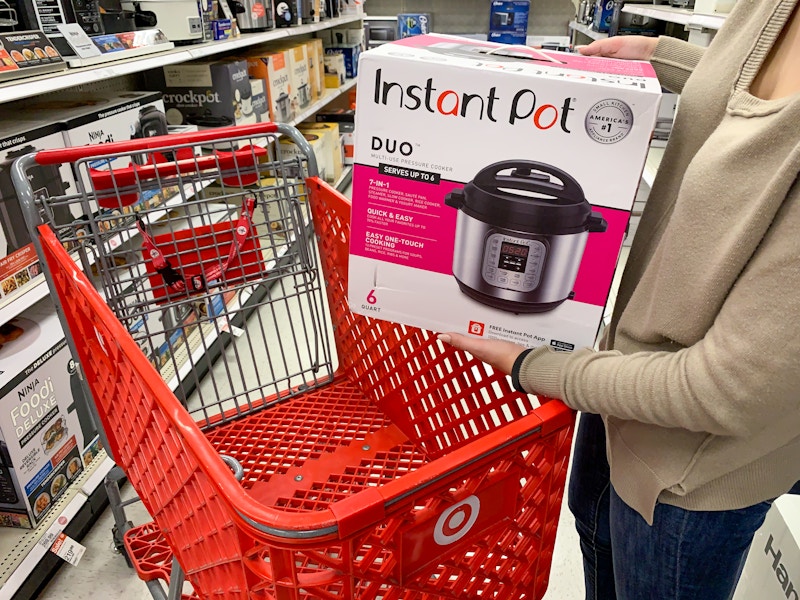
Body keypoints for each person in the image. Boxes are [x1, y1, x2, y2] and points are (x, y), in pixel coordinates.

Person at [438, 1, 800, 598]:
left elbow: (729, 391)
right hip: (620, 389)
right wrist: (663, 57)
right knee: (595, 550)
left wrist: (539, 367)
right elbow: (744, 91)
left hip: (692, 473)